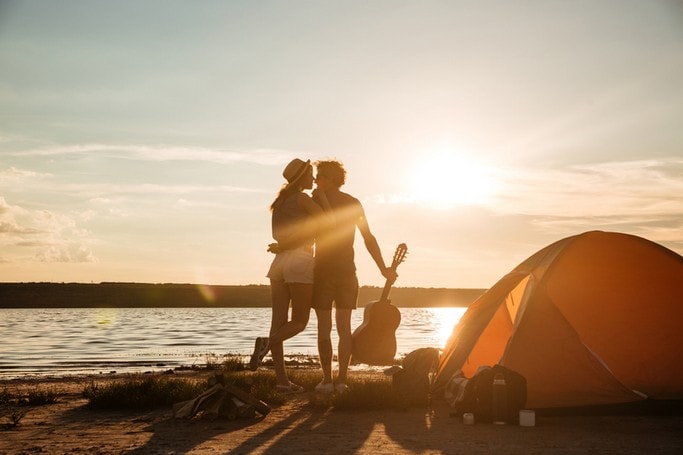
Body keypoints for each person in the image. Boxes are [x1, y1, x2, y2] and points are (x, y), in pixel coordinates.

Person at [311, 159, 397, 394]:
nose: (315, 180)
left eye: (319, 176)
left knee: (324, 328)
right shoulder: (353, 203)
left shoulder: (317, 199)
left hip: (324, 272)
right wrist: (382, 268)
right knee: (344, 329)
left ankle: (327, 381)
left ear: (328, 179)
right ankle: (341, 382)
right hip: (348, 272)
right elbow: (368, 237)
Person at [249, 158, 333, 393]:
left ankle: (282, 382)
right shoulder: (302, 198)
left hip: (279, 262)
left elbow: (277, 236)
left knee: (278, 323)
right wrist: (324, 198)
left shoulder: (279, 202)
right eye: (310, 175)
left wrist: (284, 244)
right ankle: (267, 344)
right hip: (300, 260)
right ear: (301, 178)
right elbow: (328, 223)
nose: (313, 179)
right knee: (300, 321)